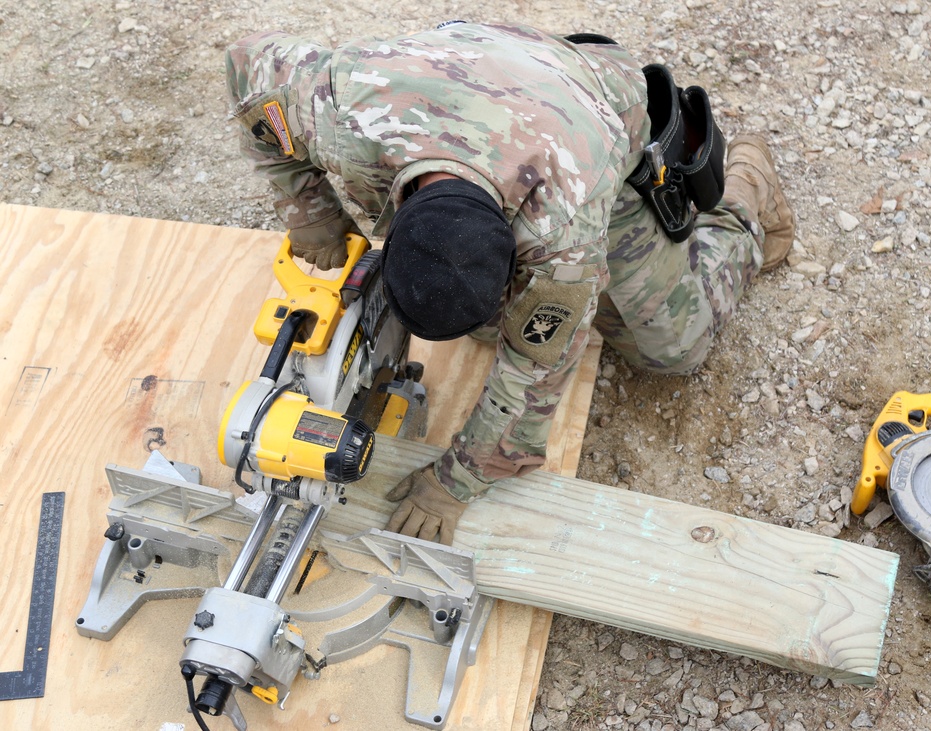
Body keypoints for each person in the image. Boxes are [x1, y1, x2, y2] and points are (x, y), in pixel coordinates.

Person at [225, 22, 795, 545]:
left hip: (595, 103)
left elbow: (536, 369)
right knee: (484, 331)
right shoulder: (336, 110)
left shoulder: (564, 233)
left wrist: (458, 481)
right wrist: (313, 214)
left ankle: (747, 192)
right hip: (491, 73)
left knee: (673, 348)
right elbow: (247, 66)